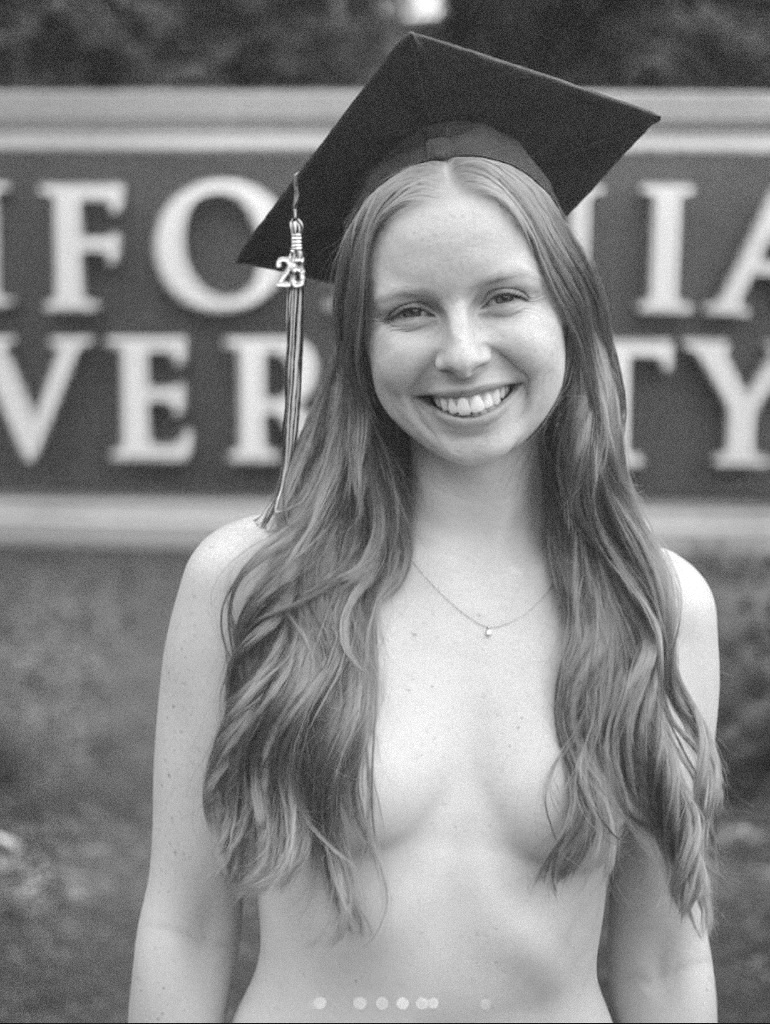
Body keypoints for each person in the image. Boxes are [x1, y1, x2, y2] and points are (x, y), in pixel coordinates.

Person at [128, 33, 724, 1024]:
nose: (462, 351)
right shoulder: (251, 584)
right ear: (357, 342)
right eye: (409, 310)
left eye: (503, 297)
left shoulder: (655, 605)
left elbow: (662, 963)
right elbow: (185, 926)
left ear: (569, 316)